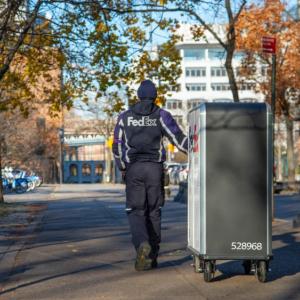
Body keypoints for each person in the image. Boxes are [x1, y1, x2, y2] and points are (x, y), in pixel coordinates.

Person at [112, 79, 188, 271]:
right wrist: (199, 148)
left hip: (134, 169)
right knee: (154, 211)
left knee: (136, 211)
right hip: (154, 169)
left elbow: (117, 145)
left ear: (138, 96)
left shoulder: (125, 117)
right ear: (155, 96)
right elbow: (178, 138)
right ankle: (152, 255)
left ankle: (142, 244)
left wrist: (123, 167)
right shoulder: (161, 115)